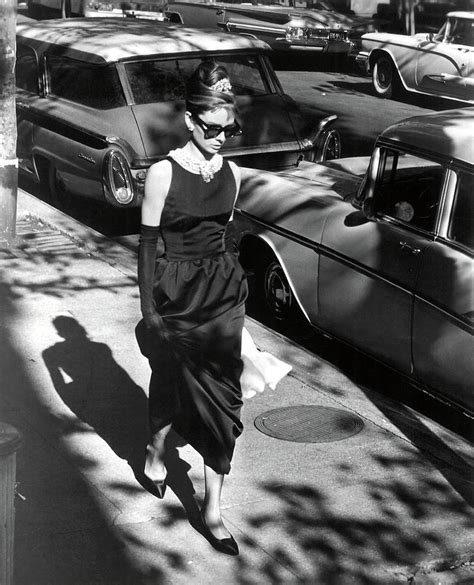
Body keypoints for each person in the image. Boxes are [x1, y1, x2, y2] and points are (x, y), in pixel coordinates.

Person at [136, 59, 247, 556]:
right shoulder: (161, 174)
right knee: (174, 384)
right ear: (189, 120)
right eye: (211, 127)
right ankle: (156, 449)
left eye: (229, 128)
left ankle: (213, 509)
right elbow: (146, 246)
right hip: (176, 297)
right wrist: (151, 311)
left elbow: (228, 238)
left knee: (224, 398)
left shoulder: (234, 173)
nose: (221, 136)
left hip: (223, 296)